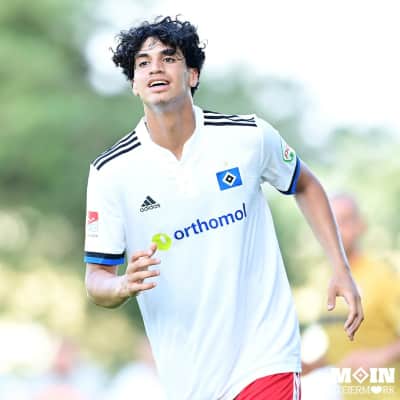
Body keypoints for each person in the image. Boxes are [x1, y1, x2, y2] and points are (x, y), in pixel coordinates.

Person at [83, 16, 363, 400]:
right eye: (143, 63)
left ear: (192, 74)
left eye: (168, 58)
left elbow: (306, 184)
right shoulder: (110, 172)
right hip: (189, 377)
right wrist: (121, 285)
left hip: (265, 356)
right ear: (134, 82)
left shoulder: (248, 137)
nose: (155, 68)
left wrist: (340, 267)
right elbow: (95, 279)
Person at [302, 193, 400, 399]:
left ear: (361, 225)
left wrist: (379, 356)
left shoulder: (384, 276)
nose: (337, 229)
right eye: (331, 221)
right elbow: (343, 348)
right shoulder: (324, 280)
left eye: (345, 220)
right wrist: (311, 366)